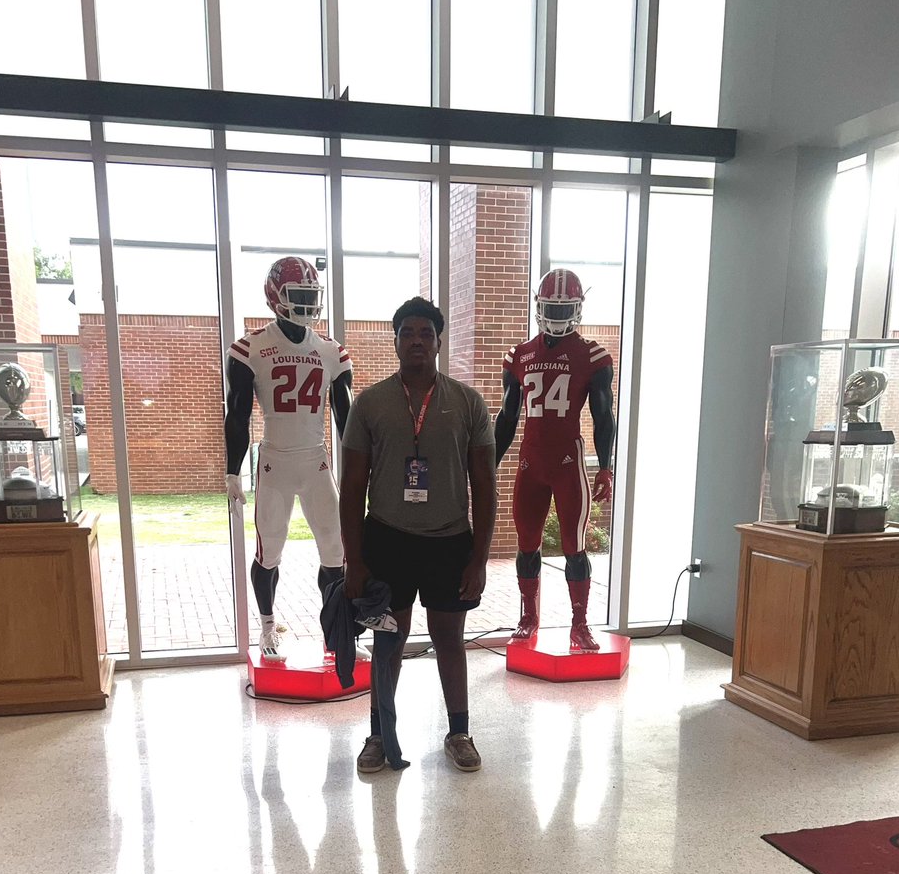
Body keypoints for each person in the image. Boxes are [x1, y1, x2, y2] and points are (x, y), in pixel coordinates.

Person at [340, 296, 497, 774]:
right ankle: (377, 736)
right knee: (389, 641)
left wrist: (479, 558)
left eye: (425, 334)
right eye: (407, 333)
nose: (416, 341)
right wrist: (354, 560)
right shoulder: (370, 403)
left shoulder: (467, 402)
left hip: (449, 541)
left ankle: (459, 732)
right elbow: (352, 487)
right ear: (395, 342)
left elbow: (485, 485)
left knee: (449, 638)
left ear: (438, 342)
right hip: (388, 539)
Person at [224, 256, 353, 662]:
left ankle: (334, 633)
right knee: (269, 552)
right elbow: (237, 414)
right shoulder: (251, 347)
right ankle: (267, 626)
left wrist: (360, 468)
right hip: (275, 462)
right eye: (298, 294)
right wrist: (232, 471)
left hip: (316, 461)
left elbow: (346, 417)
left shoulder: (330, 350)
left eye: (311, 295)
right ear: (274, 297)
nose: (307, 303)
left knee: (335, 551)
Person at [494, 268, 615, 651]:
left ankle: (580, 624)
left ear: (578, 309)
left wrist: (606, 466)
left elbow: (603, 416)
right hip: (531, 463)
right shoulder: (520, 355)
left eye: (564, 310)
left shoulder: (592, 355)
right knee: (527, 543)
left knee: (574, 546)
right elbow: (507, 417)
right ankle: (528, 617)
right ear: (538, 306)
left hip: (567, 463)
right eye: (551, 308)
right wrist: (489, 464)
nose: (557, 316)